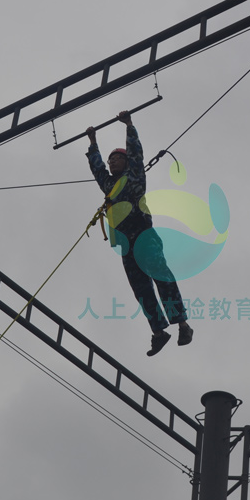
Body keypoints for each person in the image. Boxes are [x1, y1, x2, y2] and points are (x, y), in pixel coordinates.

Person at [85, 111, 193, 356]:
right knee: (141, 290)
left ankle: (182, 324)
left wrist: (129, 125)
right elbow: (97, 169)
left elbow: (135, 153)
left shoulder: (134, 175)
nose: (112, 162)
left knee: (162, 278)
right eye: (110, 160)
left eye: (116, 159)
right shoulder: (109, 186)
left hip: (144, 237)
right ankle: (158, 332)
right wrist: (92, 143)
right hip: (127, 245)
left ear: (125, 162)